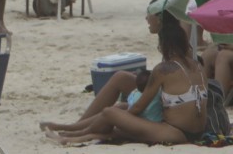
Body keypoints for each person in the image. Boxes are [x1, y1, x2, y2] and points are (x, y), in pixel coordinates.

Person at [46, 12, 207, 145]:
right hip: (197, 131)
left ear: (164, 44)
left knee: (111, 112)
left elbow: (138, 108)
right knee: (121, 109)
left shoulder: (164, 69)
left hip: (175, 132)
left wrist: (123, 119)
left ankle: (76, 134)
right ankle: (76, 132)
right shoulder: (198, 65)